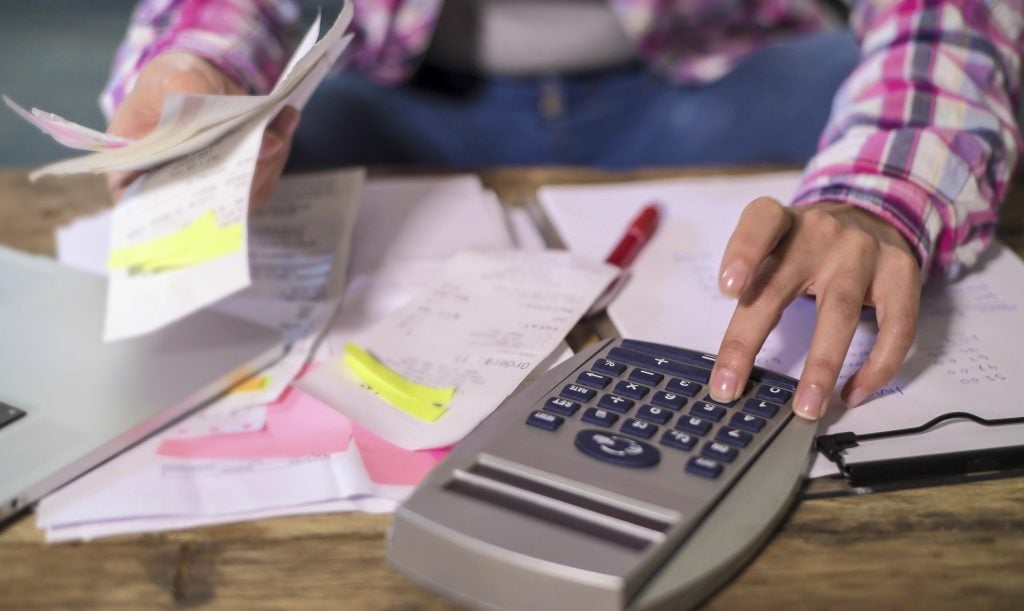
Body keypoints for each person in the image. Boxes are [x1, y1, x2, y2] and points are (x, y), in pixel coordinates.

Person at [102, 0, 1023, 421]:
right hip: (415, 96)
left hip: (705, 77)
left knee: (863, 100)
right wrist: (200, 77)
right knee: (298, 144)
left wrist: (874, 196)